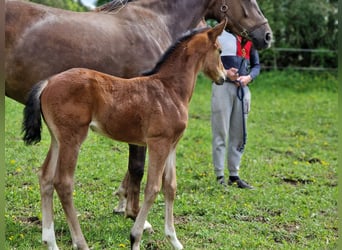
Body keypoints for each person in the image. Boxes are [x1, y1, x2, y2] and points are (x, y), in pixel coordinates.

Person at [211, 29, 260, 189]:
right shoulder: (219, 36)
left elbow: (256, 65)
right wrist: (225, 72)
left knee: (239, 133)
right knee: (221, 131)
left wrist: (249, 77)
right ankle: (219, 175)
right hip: (223, 87)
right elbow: (210, 62)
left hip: (242, 90)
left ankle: (234, 174)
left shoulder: (248, 39)